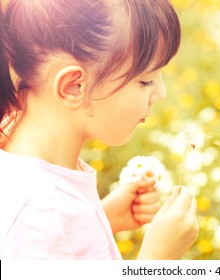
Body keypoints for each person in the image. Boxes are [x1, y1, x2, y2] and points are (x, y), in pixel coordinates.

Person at [0, 0, 198, 260]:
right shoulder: (38, 212)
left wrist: (102, 219)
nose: (160, 93)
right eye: (146, 80)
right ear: (74, 87)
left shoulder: (14, 137)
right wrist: (157, 258)